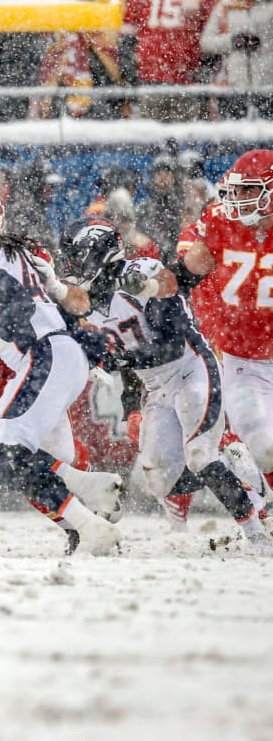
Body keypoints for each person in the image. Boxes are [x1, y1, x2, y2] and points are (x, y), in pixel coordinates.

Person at [0, 186, 124, 554]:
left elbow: (17, 310)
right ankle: (84, 494)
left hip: (42, 355)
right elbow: (56, 308)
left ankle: (88, 526)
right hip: (56, 354)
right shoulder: (11, 250)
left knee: (6, 453)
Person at [58, 216, 271, 552]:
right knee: (159, 480)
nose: (71, 266)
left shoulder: (144, 275)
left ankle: (257, 533)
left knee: (200, 454)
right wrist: (128, 402)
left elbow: (170, 344)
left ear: (97, 252)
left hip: (192, 369)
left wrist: (121, 360)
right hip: (155, 386)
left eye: (76, 256)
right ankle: (237, 470)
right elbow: (122, 358)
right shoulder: (87, 300)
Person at [176, 150, 273, 485]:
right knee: (263, 448)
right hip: (242, 355)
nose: (240, 199)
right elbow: (183, 271)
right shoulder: (219, 221)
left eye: (249, 190)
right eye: (238, 190)